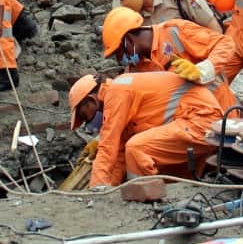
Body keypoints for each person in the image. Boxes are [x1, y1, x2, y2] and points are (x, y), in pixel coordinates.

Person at [69, 72, 222, 188]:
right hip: (193, 125)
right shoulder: (120, 93)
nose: (89, 122)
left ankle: (141, 202)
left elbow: (107, 147)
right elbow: (118, 155)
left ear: (91, 100)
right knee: (167, 179)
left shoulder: (116, 92)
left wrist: (95, 189)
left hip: (202, 121)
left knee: (136, 148)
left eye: (85, 116)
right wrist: (107, 188)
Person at [100, 6, 238, 110]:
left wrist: (202, 71)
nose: (121, 60)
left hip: (221, 108)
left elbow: (225, 43)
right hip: (191, 122)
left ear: (128, 40)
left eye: (119, 54)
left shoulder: (175, 31)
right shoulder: (136, 70)